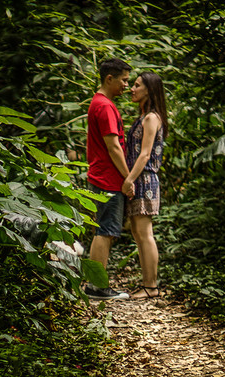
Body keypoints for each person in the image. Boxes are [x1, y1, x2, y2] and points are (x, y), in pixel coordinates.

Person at [83, 58, 133, 301]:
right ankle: (98, 287)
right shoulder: (104, 106)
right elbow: (113, 147)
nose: (127, 85)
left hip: (104, 176)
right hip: (108, 179)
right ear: (109, 78)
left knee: (105, 230)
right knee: (106, 231)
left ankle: (95, 284)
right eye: (123, 80)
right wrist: (128, 177)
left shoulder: (101, 103)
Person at [123, 72, 168, 299]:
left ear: (149, 90)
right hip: (137, 178)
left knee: (145, 233)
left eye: (137, 85)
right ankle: (147, 284)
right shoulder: (142, 117)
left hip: (145, 178)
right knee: (138, 233)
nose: (132, 88)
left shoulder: (151, 118)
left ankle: (151, 287)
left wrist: (129, 179)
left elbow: (145, 154)